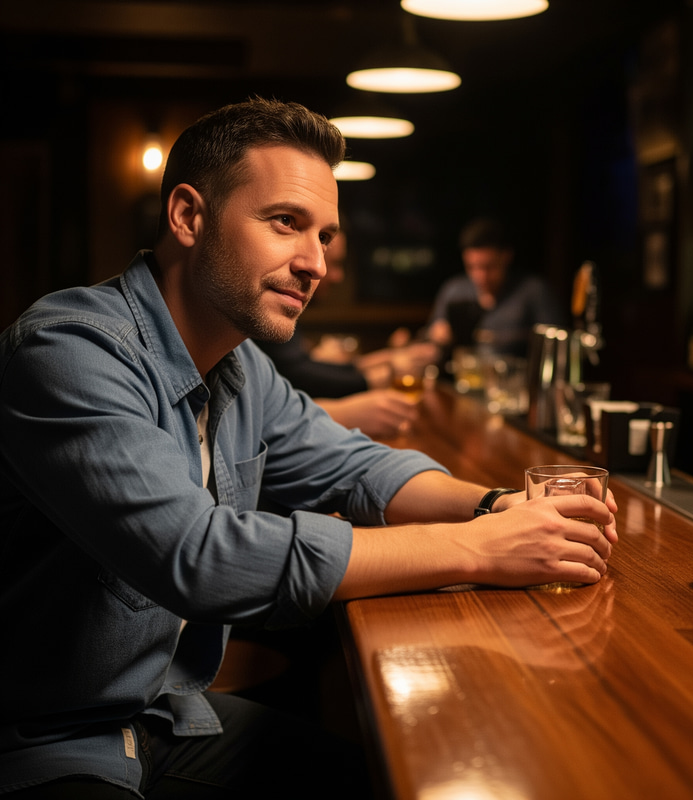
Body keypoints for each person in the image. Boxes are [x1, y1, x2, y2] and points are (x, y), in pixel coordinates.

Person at [0, 97, 617, 798]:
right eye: (286, 223)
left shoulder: (239, 365)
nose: (316, 263)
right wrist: (479, 548)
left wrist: (496, 504)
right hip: (48, 742)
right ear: (189, 216)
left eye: (325, 236)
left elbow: (355, 464)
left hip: (161, 716)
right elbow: (197, 556)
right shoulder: (69, 351)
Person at [256, 229, 438, 438]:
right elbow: (297, 371)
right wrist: (350, 404)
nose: (327, 272)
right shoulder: (265, 315)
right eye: (335, 263)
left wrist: (383, 361)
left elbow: (296, 367)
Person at [426, 217, 566, 359]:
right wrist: (437, 334)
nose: (481, 276)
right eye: (472, 267)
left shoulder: (534, 291)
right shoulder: (453, 291)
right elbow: (431, 336)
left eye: (488, 267)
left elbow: (554, 345)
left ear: (506, 256)